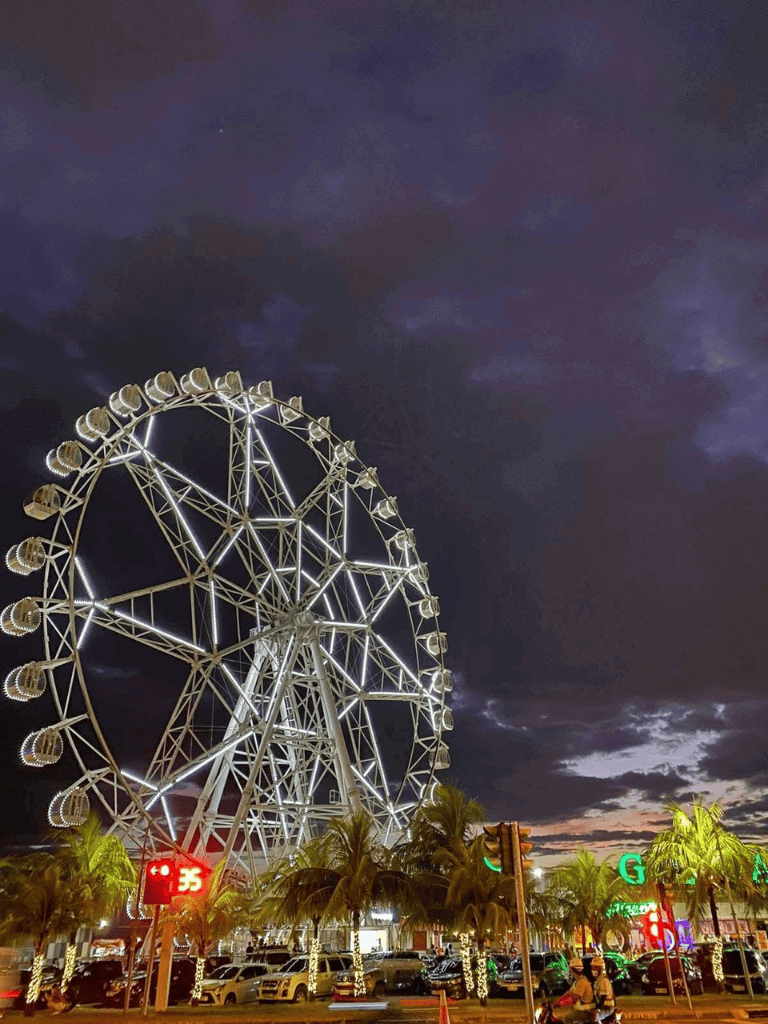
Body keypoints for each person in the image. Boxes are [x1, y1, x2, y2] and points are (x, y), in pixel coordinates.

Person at [556, 958, 595, 1024]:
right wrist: (557, 1001)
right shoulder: (578, 981)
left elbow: (575, 997)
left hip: (586, 1012)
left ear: (572, 970)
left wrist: (561, 1003)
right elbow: (569, 992)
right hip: (581, 1010)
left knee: (567, 1019)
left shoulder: (581, 982)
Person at [591, 956, 615, 1022]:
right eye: (592, 968)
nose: (593, 970)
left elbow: (603, 997)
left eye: (596, 967)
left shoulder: (603, 980)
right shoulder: (598, 980)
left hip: (607, 1008)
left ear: (601, 968)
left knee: (595, 1018)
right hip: (603, 1006)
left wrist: (597, 1009)